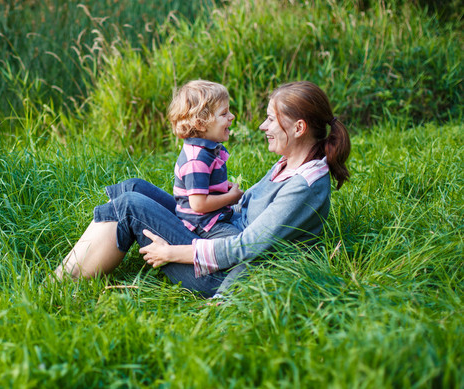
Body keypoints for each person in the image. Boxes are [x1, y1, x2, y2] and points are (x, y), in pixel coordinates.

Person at [54, 81, 351, 298]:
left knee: (131, 205)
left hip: (219, 273)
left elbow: (247, 247)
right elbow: (241, 207)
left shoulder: (304, 186)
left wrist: (172, 252)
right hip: (217, 232)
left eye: (271, 119)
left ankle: (59, 285)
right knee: (134, 188)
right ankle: (85, 258)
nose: (262, 126)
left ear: (299, 128)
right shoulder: (288, 164)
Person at [168, 80, 244, 238]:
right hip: (202, 224)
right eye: (224, 113)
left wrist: (221, 187)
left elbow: (204, 186)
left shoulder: (207, 149)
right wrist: (230, 198)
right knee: (240, 241)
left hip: (214, 216)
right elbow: (198, 204)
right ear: (201, 124)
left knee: (251, 223)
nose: (232, 116)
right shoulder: (196, 160)